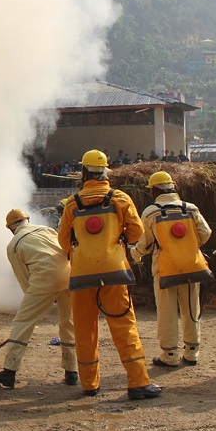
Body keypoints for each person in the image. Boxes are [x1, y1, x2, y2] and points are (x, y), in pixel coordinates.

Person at [57, 149, 162, 400]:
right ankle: (137, 382)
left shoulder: (72, 204)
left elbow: (63, 243)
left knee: (84, 329)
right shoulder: (120, 199)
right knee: (124, 325)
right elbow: (136, 234)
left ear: (83, 173)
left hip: (82, 275)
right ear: (106, 172)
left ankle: (89, 384)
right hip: (114, 273)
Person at [0, 208, 78, 389]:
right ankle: (72, 371)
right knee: (68, 322)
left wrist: (41, 296)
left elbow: (25, 280)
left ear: (10, 228)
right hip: (70, 274)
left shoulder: (14, 244)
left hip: (45, 279)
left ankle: (9, 372)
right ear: (27, 220)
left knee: (23, 322)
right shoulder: (47, 230)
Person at [131, 171, 213, 369]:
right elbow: (206, 233)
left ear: (155, 191)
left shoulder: (151, 212)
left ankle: (169, 354)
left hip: (165, 269)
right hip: (192, 266)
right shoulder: (191, 209)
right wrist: (189, 247)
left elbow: (145, 242)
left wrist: (135, 255)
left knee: (167, 312)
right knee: (191, 309)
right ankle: (192, 352)